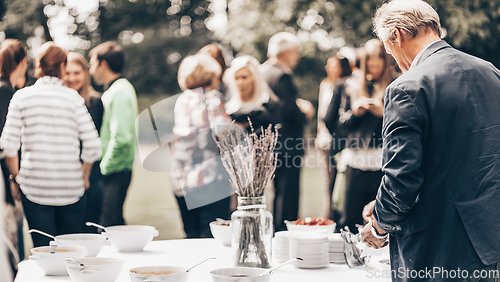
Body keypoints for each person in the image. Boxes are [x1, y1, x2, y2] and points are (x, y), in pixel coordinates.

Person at [360, 0, 500, 281]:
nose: (394, 61)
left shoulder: (406, 87)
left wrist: (379, 225)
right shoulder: (491, 73)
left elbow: (402, 179)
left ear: (397, 36)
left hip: (438, 247)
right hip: (491, 237)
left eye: (388, 50)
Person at [0, 42, 101, 247]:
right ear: (62, 66)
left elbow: (8, 145)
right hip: (71, 187)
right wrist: (84, 175)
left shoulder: (22, 96)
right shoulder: (73, 98)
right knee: (71, 253)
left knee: (44, 252)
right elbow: (93, 145)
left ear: (38, 66)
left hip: (34, 187)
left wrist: (17, 177)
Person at [331, 39, 393, 233]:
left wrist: (384, 112)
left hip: (382, 159)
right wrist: (355, 112)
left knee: (379, 216)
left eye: (378, 64)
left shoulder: (394, 83)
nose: (374, 69)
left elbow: (406, 123)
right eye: (371, 64)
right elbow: (339, 125)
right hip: (356, 158)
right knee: (350, 215)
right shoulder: (351, 85)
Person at [172, 54, 233, 238]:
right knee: (212, 236)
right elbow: (225, 132)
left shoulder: (182, 99)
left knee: (191, 235)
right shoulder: (212, 97)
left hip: (181, 179)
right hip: (208, 178)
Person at [260, 32, 315, 232]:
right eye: (295, 52)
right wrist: (306, 112)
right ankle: (286, 234)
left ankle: (275, 233)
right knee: (288, 195)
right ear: (286, 52)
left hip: (268, 143)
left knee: (275, 193)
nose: (297, 57)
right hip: (287, 144)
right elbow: (289, 111)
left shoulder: (261, 72)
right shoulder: (282, 75)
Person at [89, 42, 138, 227]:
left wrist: (103, 169)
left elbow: (122, 137)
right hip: (113, 171)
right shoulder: (116, 90)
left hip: (113, 172)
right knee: (113, 225)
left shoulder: (119, 92)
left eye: (92, 64)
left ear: (103, 64)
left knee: (108, 228)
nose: (91, 70)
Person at [63, 52, 104, 233]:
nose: (71, 78)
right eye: (67, 73)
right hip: (66, 177)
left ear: (86, 73)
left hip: (89, 175)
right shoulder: (60, 102)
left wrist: (84, 174)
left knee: (87, 230)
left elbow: (90, 141)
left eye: (77, 73)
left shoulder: (94, 101)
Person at [0, 38, 27, 281]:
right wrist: (12, 177)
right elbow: (5, 142)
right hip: (5, 176)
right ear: (22, 63)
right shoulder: (5, 91)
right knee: (11, 236)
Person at [316, 53, 352, 220]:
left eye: (333, 65)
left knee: (339, 180)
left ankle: (337, 216)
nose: (328, 68)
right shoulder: (325, 85)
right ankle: (329, 217)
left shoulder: (348, 85)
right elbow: (321, 114)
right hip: (324, 138)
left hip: (338, 139)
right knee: (328, 182)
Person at [225, 55, 281, 135]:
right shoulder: (229, 108)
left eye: (244, 77)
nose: (240, 82)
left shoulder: (270, 106)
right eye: (236, 78)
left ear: (255, 78)